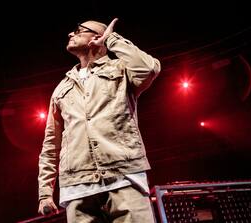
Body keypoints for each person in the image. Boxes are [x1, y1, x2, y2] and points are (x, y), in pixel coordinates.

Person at [37, 18, 161, 223]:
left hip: (123, 178)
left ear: (97, 36)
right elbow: (51, 144)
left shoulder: (121, 69)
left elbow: (148, 69)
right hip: (77, 187)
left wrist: (111, 39)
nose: (70, 34)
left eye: (78, 30)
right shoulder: (61, 88)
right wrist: (44, 192)